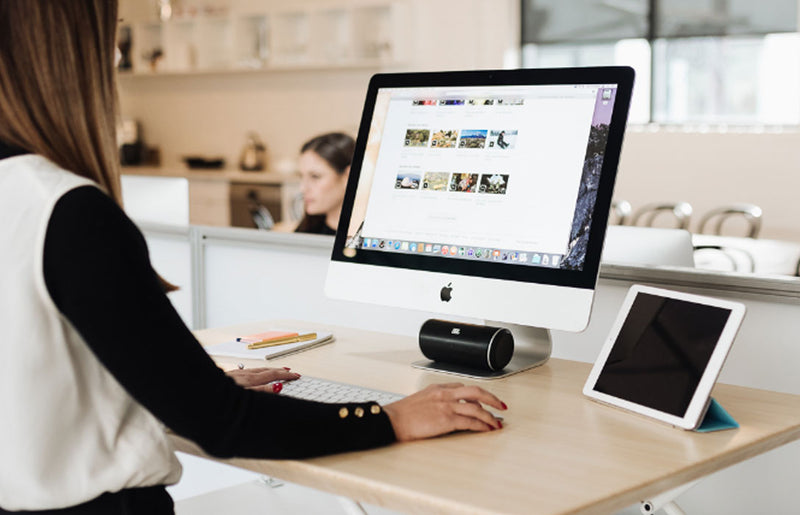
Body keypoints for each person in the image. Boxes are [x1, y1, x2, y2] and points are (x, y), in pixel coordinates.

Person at [0, 2, 506, 514]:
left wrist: (184, 384)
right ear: (67, 57)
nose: (114, 56)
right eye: (109, 38)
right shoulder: (69, 212)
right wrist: (391, 417)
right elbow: (223, 423)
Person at [294, 132, 353, 235]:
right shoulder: (306, 233)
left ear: (347, 177)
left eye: (315, 176)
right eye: (301, 177)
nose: (302, 188)